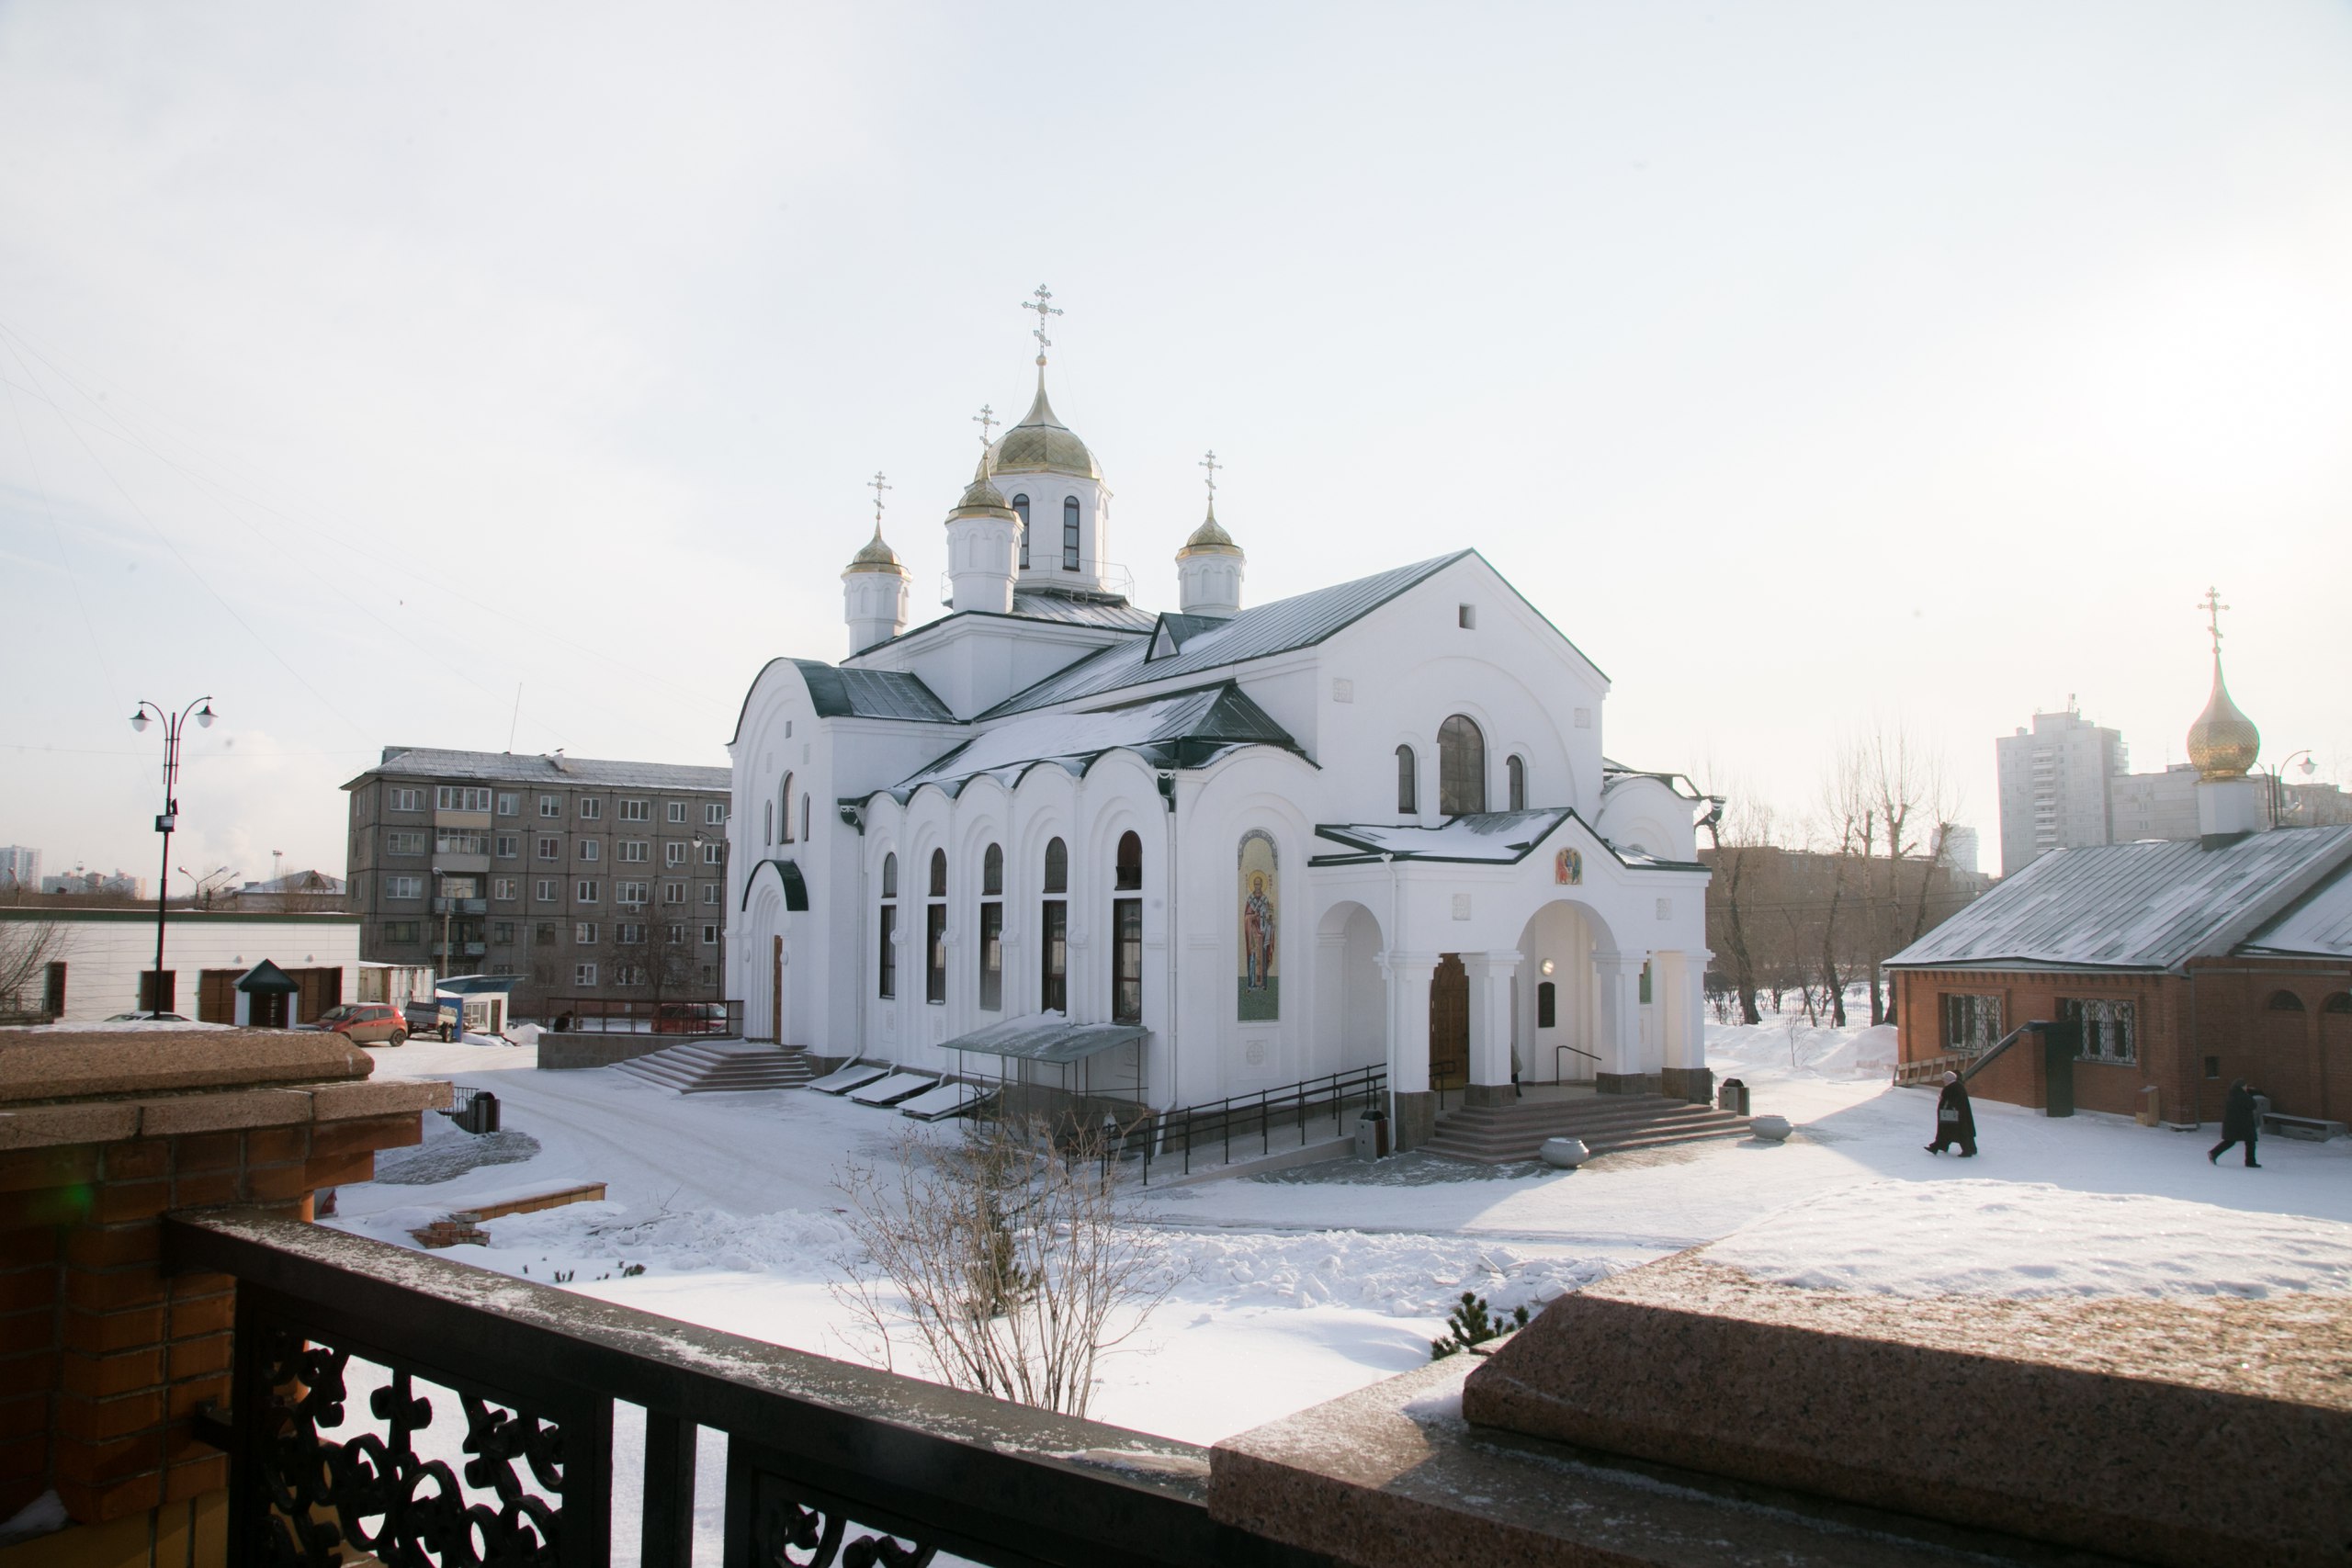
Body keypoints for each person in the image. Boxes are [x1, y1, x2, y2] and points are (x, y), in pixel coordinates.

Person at [2209, 1078, 2262, 1168]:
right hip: (2243, 1124)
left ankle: (2214, 1153)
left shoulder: (2231, 1094)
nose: (2246, 1088)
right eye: (2245, 1086)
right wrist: (2249, 1094)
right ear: (2241, 1087)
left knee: (2230, 1141)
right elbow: (2253, 1105)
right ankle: (2250, 1162)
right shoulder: (2243, 1096)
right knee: (2250, 1142)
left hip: (2233, 1123)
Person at [1926, 1070, 1976, 1157]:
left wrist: (1943, 1099)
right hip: (1958, 1114)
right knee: (1949, 1131)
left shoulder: (1951, 1087)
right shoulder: (1958, 1086)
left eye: (1944, 1079)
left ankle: (1966, 1151)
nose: (1943, 1081)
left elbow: (1952, 1100)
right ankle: (1937, 1146)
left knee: (1950, 1131)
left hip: (1952, 1114)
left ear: (1948, 1079)